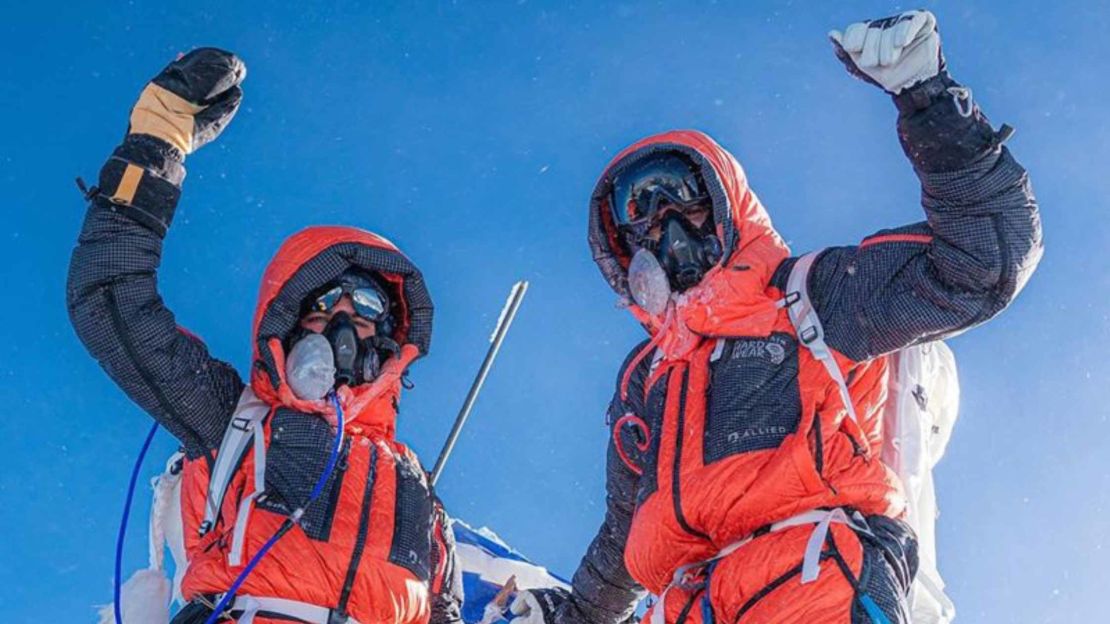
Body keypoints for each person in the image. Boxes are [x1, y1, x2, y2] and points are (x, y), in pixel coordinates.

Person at [510, 10, 1042, 624]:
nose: (670, 229)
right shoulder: (646, 377)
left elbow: (983, 261)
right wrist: (575, 613)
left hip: (813, 572)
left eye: (684, 200)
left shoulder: (811, 296)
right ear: (628, 253)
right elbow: (623, 533)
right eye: (645, 220)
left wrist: (927, 97)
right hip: (688, 602)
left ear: (725, 201)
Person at [67, 48, 463, 624]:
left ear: (392, 336)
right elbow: (109, 297)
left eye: (368, 305)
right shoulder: (231, 415)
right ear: (288, 320)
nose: (344, 321)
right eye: (324, 301)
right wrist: (158, 140)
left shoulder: (416, 490)